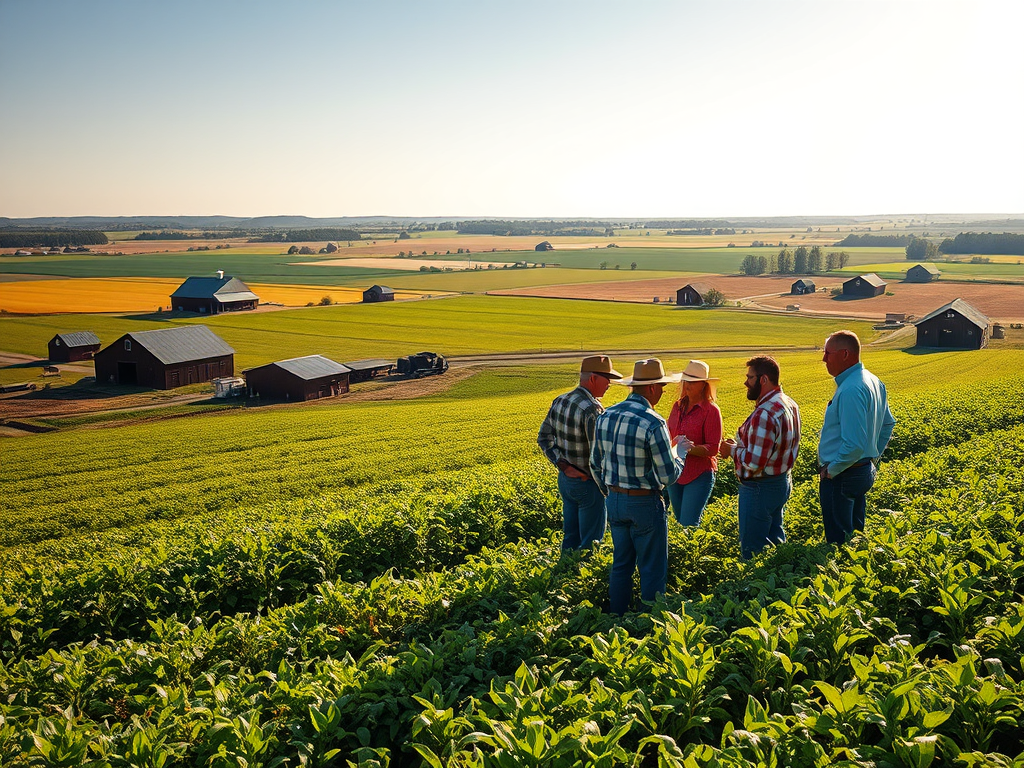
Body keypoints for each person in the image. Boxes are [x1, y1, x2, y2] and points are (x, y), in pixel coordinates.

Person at [590, 359, 691, 614]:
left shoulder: (606, 415)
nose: (663, 392)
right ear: (653, 389)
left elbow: (594, 464)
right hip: (644, 501)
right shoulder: (653, 422)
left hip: (614, 499)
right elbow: (668, 476)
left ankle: (616, 618)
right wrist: (679, 453)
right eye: (662, 387)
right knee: (652, 567)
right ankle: (649, 623)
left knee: (621, 564)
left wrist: (610, 492)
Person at [818, 330, 897, 544]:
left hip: (843, 475)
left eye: (827, 353)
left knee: (838, 542)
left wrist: (831, 471)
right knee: (855, 536)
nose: (823, 358)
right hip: (861, 471)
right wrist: (873, 456)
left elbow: (853, 444)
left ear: (845, 354)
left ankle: (840, 576)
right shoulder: (872, 381)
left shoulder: (851, 389)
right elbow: (888, 423)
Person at [538, 355, 623, 551]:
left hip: (566, 481)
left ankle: (562, 575)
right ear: (593, 378)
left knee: (570, 539)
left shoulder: (560, 400)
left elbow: (544, 438)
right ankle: (582, 579)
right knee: (590, 545)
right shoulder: (592, 409)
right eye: (607, 378)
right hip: (588, 484)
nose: (609, 384)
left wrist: (563, 466)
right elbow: (598, 458)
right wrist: (608, 491)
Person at [720, 355, 801, 560]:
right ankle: (779, 584)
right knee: (775, 544)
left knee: (752, 552)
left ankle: (756, 590)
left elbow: (754, 462)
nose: (746, 382)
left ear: (763, 379)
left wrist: (730, 451)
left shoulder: (764, 413)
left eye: (750, 377)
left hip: (759, 488)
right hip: (781, 481)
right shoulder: (789, 404)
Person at [666, 360, 723, 527]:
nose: (687, 384)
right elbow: (669, 435)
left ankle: (691, 552)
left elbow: (713, 448)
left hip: (699, 473)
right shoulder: (677, 407)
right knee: (679, 521)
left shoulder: (711, 411)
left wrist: (690, 448)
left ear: (703, 385)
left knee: (688, 523)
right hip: (676, 472)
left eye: (692, 381)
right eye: (686, 380)